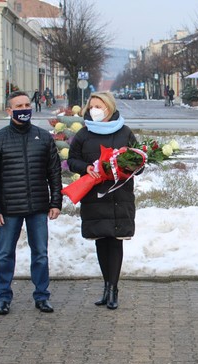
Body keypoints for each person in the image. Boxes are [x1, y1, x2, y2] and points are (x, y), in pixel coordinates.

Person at [0, 90, 62, 316]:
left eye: (27, 105)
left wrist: (55, 202)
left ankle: (42, 296)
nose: (24, 109)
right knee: (5, 254)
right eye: (18, 106)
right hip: (9, 208)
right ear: (9, 111)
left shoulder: (43, 137)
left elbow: (54, 173)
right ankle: (3, 298)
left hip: (38, 207)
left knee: (41, 254)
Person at [67, 91, 138, 310]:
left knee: (115, 241)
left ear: (109, 107)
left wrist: (126, 166)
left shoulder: (124, 132)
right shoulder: (84, 134)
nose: (94, 110)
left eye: (98, 106)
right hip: (94, 195)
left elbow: (138, 162)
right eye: (91, 107)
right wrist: (86, 167)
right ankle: (106, 287)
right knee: (100, 240)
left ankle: (114, 289)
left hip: (119, 195)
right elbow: (72, 160)